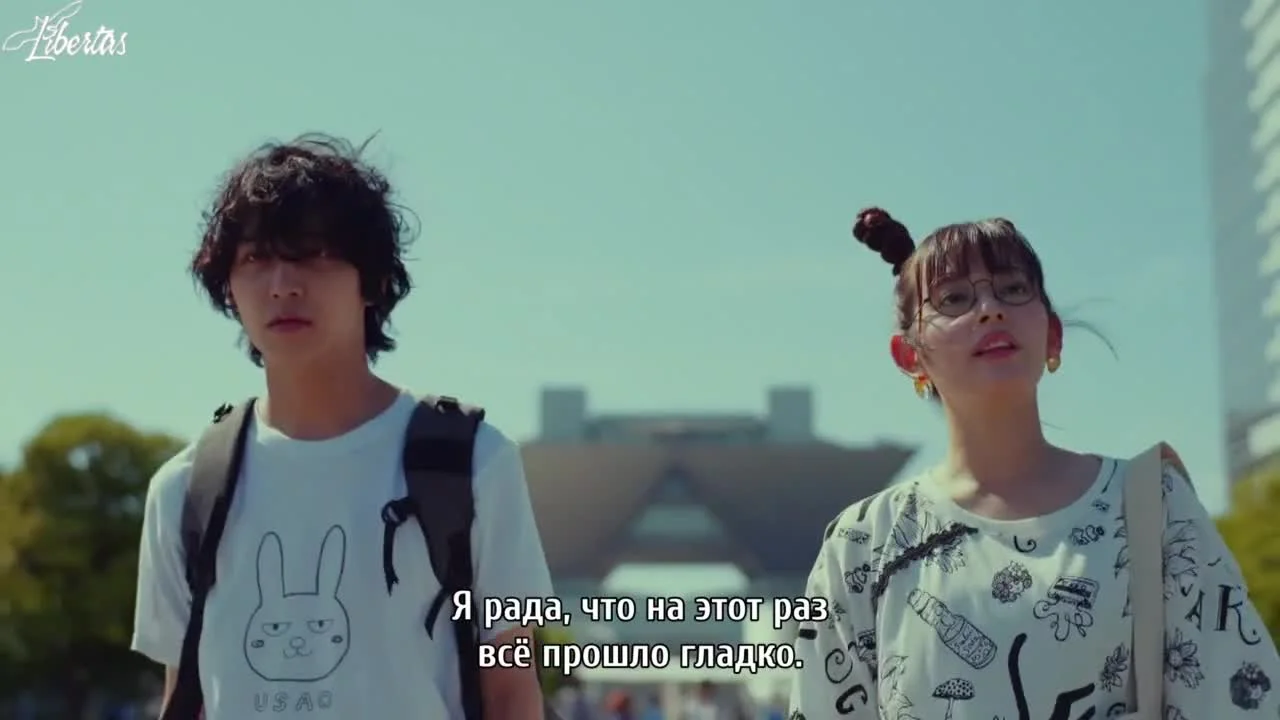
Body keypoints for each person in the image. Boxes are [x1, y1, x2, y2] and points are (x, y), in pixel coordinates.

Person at [788, 207, 1280, 719]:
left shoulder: (1153, 506)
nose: (989, 309)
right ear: (909, 356)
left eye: (1013, 289)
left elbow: (1242, 701)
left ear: (1053, 335)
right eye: (954, 298)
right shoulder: (863, 545)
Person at [129, 134, 554, 719]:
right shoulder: (185, 489)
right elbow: (185, 699)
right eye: (255, 259)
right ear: (228, 286)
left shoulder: (474, 462)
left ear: (373, 280)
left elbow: (512, 692)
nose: (282, 283)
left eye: (315, 253)